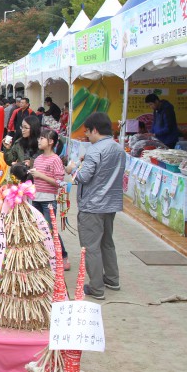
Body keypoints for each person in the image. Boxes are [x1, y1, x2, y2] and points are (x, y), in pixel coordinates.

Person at [66, 112, 126, 301]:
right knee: (107, 243)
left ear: (95, 130)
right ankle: (112, 279)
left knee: (91, 247)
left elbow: (83, 178)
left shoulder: (95, 150)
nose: (87, 136)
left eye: (88, 132)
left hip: (92, 205)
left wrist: (72, 169)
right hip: (110, 204)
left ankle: (96, 287)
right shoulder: (118, 149)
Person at [28, 129, 69, 270]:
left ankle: (63, 256)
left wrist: (39, 175)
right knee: (39, 229)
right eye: (39, 138)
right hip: (36, 199)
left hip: (49, 200)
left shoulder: (56, 159)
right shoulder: (38, 159)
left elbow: (59, 182)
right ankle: (45, 258)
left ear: (51, 142)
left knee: (50, 229)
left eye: (42, 138)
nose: (39, 141)